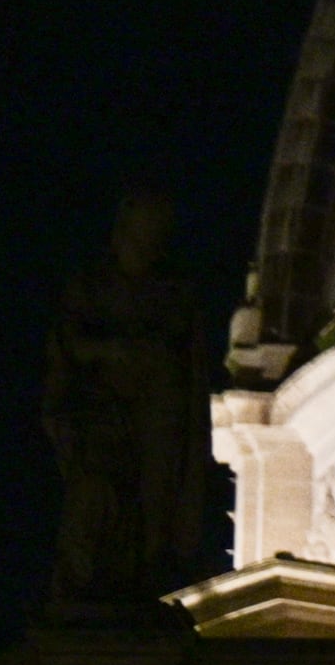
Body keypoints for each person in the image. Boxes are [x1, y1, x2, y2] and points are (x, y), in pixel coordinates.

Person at [42, 190, 212, 607]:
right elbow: (66, 346)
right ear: (125, 228)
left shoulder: (176, 293)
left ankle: (142, 584)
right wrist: (111, 352)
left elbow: (190, 368)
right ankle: (91, 589)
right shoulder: (90, 286)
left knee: (153, 509)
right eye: (143, 230)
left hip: (160, 419)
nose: (148, 240)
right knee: (95, 503)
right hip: (103, 418)